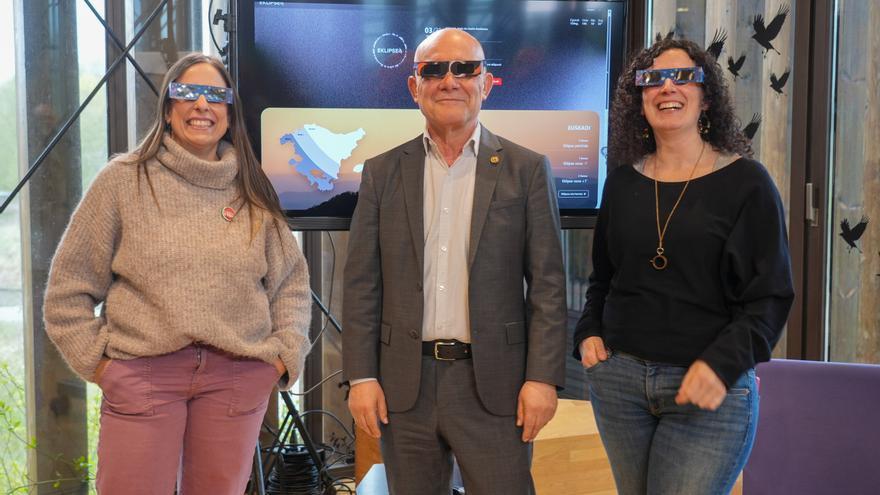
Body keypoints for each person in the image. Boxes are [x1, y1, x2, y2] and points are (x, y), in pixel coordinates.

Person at [43, 53, 312, 494]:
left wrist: (282, 356)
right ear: (168, 109)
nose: (202, 105)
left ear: (230, 113)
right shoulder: (123, 181)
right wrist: (102, 366)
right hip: (143, 376)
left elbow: (291, 285)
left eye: (215, 96)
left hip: (237, 377)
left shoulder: (253, 187)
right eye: (187, 93)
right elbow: (66, 293)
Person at [342, 28, 566, 494]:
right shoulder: (382, 172)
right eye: (434, 70)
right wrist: (361, 376)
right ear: (414, 87)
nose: (450, 81)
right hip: (404, 387)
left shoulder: (527, 170)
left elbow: (548, 287)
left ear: (486, 84)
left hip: (496, 387)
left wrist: (543, 379)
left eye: (465, 69)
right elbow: (362, 284)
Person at [573, 38, 795, 494]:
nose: (666, 87)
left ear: (706, 97)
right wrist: (588, 330)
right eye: (652, 79)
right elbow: (603, 279)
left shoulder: (747, 184)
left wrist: (721, 365)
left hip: (707, 387)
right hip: (619, 384)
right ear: (639, 98)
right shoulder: (622, 181)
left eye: (683, 77)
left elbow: (770, 297)